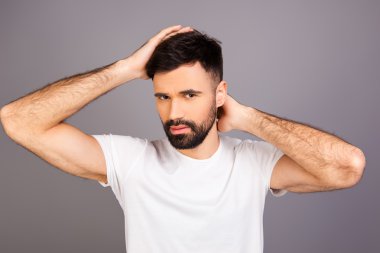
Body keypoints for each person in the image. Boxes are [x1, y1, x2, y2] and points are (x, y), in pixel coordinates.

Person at [0, 25, 366, 253]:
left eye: (190, 95)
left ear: (219, 93)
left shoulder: (253, 163)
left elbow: (347, 167)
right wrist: (123, 70)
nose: (174, 112)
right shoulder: (131, 161)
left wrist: (248, 118)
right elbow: (18, 120)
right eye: (163, 96)